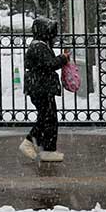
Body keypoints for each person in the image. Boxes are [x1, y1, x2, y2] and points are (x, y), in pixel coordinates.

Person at [20, 17, 69, 163]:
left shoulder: (39, 45)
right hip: (41, 88)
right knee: (48, 118)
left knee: (48, 118)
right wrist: (63, 58)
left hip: (40, 88)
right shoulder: (38, 46)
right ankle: (31, 143)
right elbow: (49, 64)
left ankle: (47, 148)